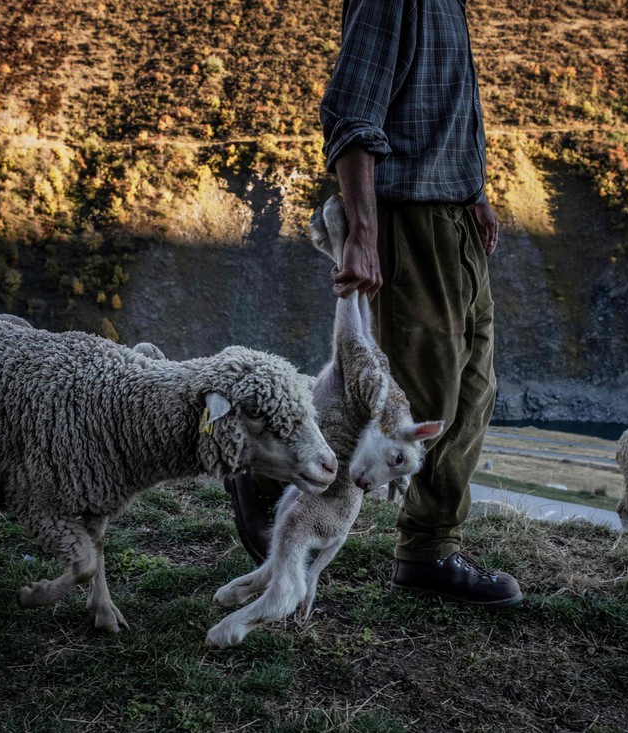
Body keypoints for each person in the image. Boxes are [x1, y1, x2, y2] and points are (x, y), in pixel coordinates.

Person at [226, 0, 522, 608]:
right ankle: (263, 478)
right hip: (410, 218)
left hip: (455, 214)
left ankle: (430, 551)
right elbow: (351, 113)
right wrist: (363, 232)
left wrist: (474, 188)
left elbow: (446, 104)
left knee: (472, 392)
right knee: (422, 396)